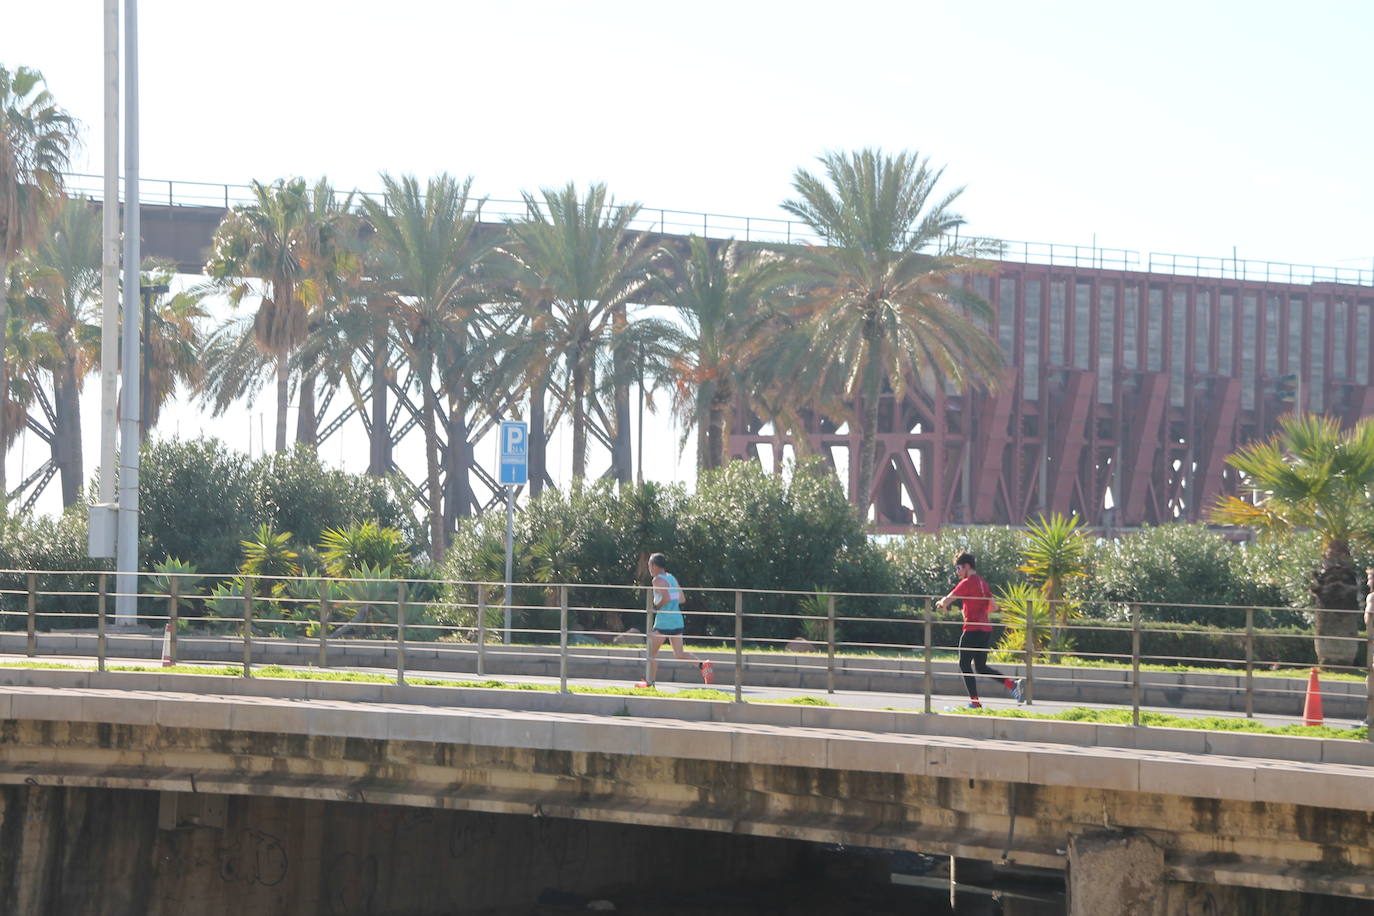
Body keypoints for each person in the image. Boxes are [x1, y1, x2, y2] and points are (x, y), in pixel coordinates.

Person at [936, 552, 1023, 708]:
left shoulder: (967, 582)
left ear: (967, 566)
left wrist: (941, 603)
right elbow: (994, 606)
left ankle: (975, 703)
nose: (957, 572)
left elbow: (949, 598)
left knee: (964, 664)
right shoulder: (983, 583)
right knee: (981, 667)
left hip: (972, 629)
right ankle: (1011, 685)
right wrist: (978, 612)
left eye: (958, 568)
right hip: (985, 629)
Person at [636, 553, 714, 688]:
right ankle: (703, 665)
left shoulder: (657, 580)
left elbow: (664, 598)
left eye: (649, 564)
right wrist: (667, 597)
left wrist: (656, 604)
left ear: (654, 565)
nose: (648, 567)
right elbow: (681, 598)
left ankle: (650, 683)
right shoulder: (671, 578)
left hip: (664, 621)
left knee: (651, 653)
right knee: (679, 653)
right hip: (676, 620)